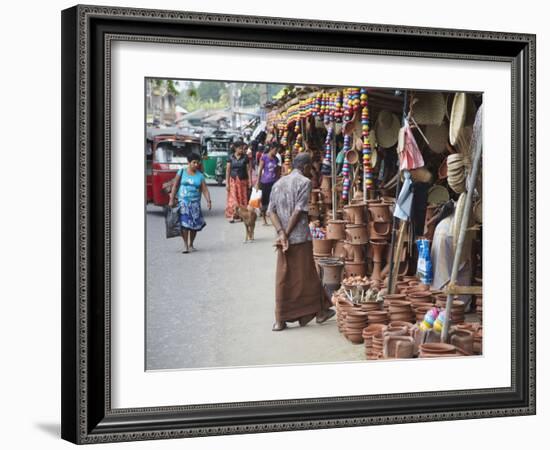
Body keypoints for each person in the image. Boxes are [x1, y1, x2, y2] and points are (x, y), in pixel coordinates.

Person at [267, 152, 335, 331]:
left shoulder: (278, 183)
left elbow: (271, 211)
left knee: (285, 277)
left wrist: (281, 233)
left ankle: (282, 319)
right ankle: (316, 312)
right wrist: (286, 234)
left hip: (285, 239)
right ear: (305, 167)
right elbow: (298, 211)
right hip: (298, 237)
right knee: (307, 276)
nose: (310, 171)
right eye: (309, 168)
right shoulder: (305, 183)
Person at [168, 153, 212, 253]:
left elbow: (204, 189)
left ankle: (191, 244)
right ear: (189, 162)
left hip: (195, 203)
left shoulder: (200, 176)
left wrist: (208, 201)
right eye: (194, 162)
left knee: (194, 226)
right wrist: (171, 199)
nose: (196, 165)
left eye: (197, 163)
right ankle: (185, 246)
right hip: (183, 202)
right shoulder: (182, 171)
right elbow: (175, 186)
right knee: (184, 224)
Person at [225, 140, 252, 223]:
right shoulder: (230, 157)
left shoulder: (245, 157)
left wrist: (250, 181)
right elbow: (228, 170)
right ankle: (232, 215)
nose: (241, 150)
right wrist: (227, 183)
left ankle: (241, 215)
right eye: (240, 148)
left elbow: (248, 170)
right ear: (235, 149)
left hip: (243, 181)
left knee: (242, 199)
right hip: (233, 181)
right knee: (233, 199)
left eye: (242, 148)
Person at [255, 142, 281, 225]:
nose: (276, 152)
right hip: (264, 182)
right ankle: (264, 219)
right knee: (264, 201)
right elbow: (260, 170)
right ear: (271, 148)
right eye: (275, 150)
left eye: (277, 151)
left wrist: (278, 181)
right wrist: (257, 182)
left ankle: (273, 219)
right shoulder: (264, 157)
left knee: (273, 201)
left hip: (273, 182)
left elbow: (277, 171)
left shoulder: (276, 159)